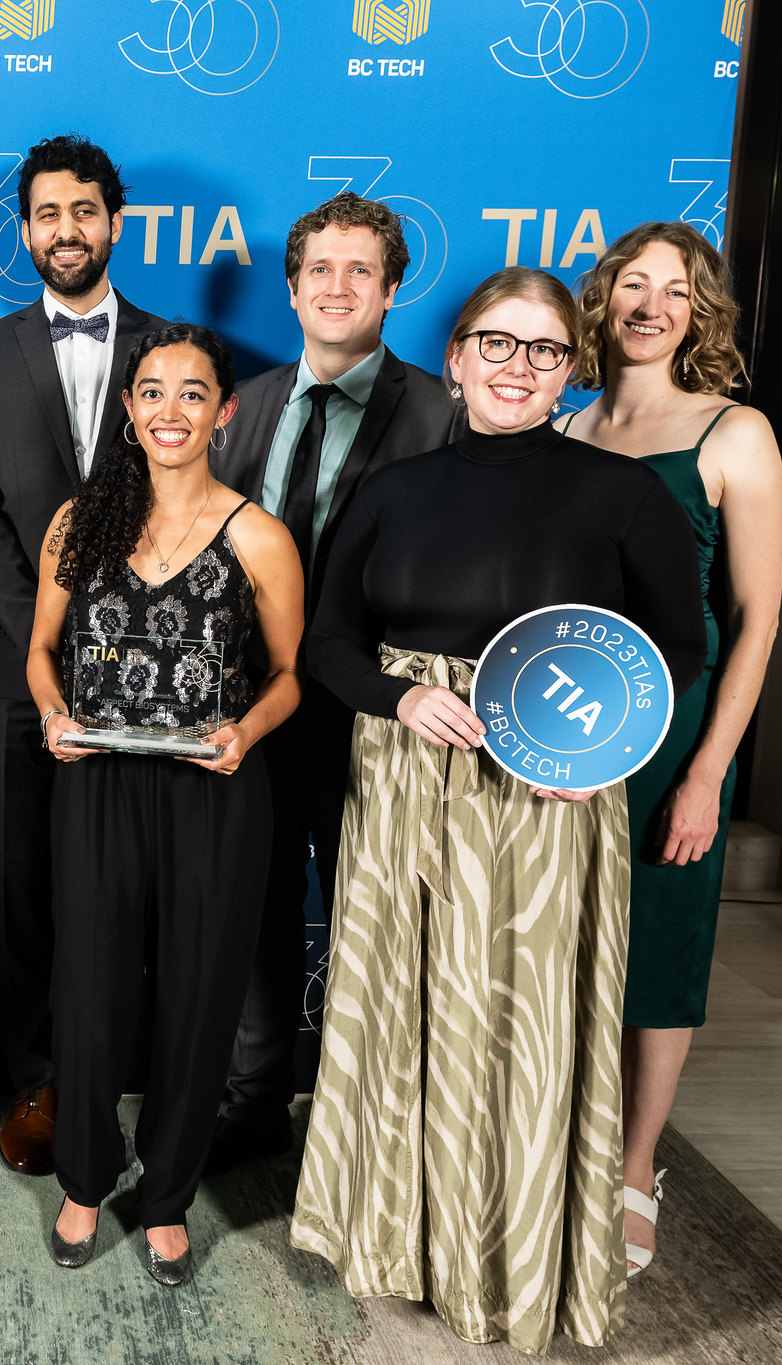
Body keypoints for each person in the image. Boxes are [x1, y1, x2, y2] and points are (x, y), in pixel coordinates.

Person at [289, 267, 707, 1353]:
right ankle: (398, 1240)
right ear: (456, 357)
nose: (515, 368)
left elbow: (675, 649)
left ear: (570, 369)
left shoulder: (620, 495)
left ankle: (509, 1263)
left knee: (514, 1031)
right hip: (400, 783)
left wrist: (598, 750)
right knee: (402, 1015)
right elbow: (324, 643)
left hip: (546, 796)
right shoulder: (388, 491)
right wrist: (397, 695)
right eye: (495, 344)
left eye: (543, 350)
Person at [28, 323, 304, 1286]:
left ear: (225, 411)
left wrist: (246, 733)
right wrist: (55, 712)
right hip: (96, 783)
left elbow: (288, 679)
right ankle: (84, 1176)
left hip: (213, 792)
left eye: (194, 393)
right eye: (152, 392)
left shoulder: (258, 534)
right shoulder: (80, 521)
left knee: (199, 998)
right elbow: (39, 653)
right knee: (92, 993)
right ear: (128, 408)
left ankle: (169, 1195)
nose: (170, 410)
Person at [205, 191, 459, 1171]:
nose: (337, 286)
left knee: (379, 925)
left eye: (360, 270)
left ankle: (362, 1127)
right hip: (253, 717)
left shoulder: (443, 414)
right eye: (319, 269)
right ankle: (250, 1104)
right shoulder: (242, 409)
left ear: (392, 290)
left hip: (381, 725)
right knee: (257, 916)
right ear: (290, 286)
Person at [562, 222, 782, 1276]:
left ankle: (636, 1167)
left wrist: (705, 775)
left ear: (697, 313)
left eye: (675, 291)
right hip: (566, 723)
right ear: (602, 302)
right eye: (632, 286)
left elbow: (756, 620)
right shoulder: (559, 428)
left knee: (655, 944)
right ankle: (558, 1145)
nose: (650, 305)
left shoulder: (731, 434)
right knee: (561, 944)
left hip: (675, 732)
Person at [0, 134, 166, 1174]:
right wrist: (55, 636)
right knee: (22, 889)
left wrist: (116, 641)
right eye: (44, 215)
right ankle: (35, 1080)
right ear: (23, 231)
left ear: (113, 222)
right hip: (8, 677)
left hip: (150, 676)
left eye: (82, 211)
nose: (64, 231)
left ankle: (109, 1077)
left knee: (129, 885)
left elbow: (193, 508)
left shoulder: (175, 352)